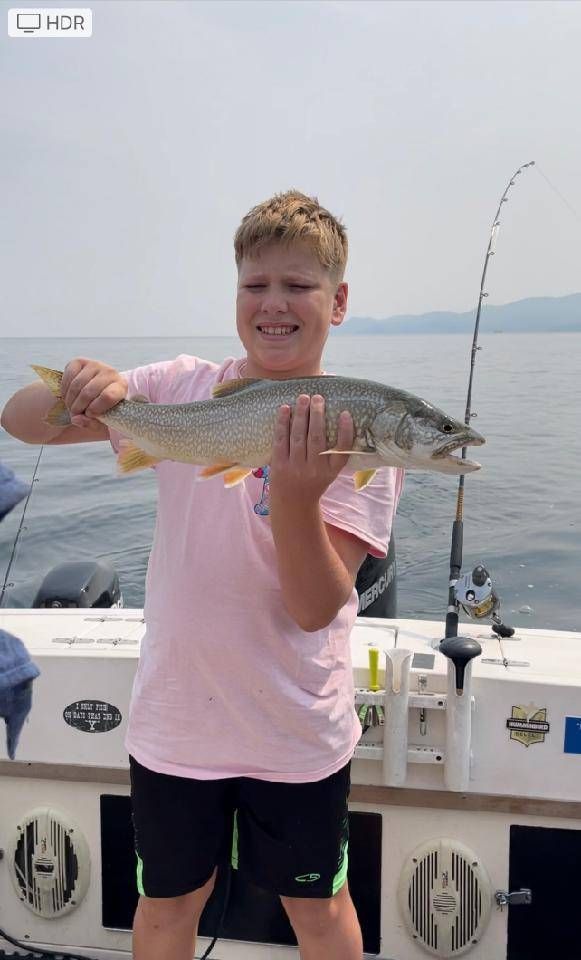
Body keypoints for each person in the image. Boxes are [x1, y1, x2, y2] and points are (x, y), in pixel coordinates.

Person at [1, 190, 403, 960]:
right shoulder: (179, 386)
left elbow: (315, 607)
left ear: (338, 301)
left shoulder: (360, 437)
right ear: (235, 293)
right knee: (165, 905)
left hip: (296, 728)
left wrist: (295, 498)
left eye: (298, 284)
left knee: (318, 908)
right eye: (256, 285)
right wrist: (79, 388)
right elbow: (20, 422)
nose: (273, 303)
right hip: (178, 719)